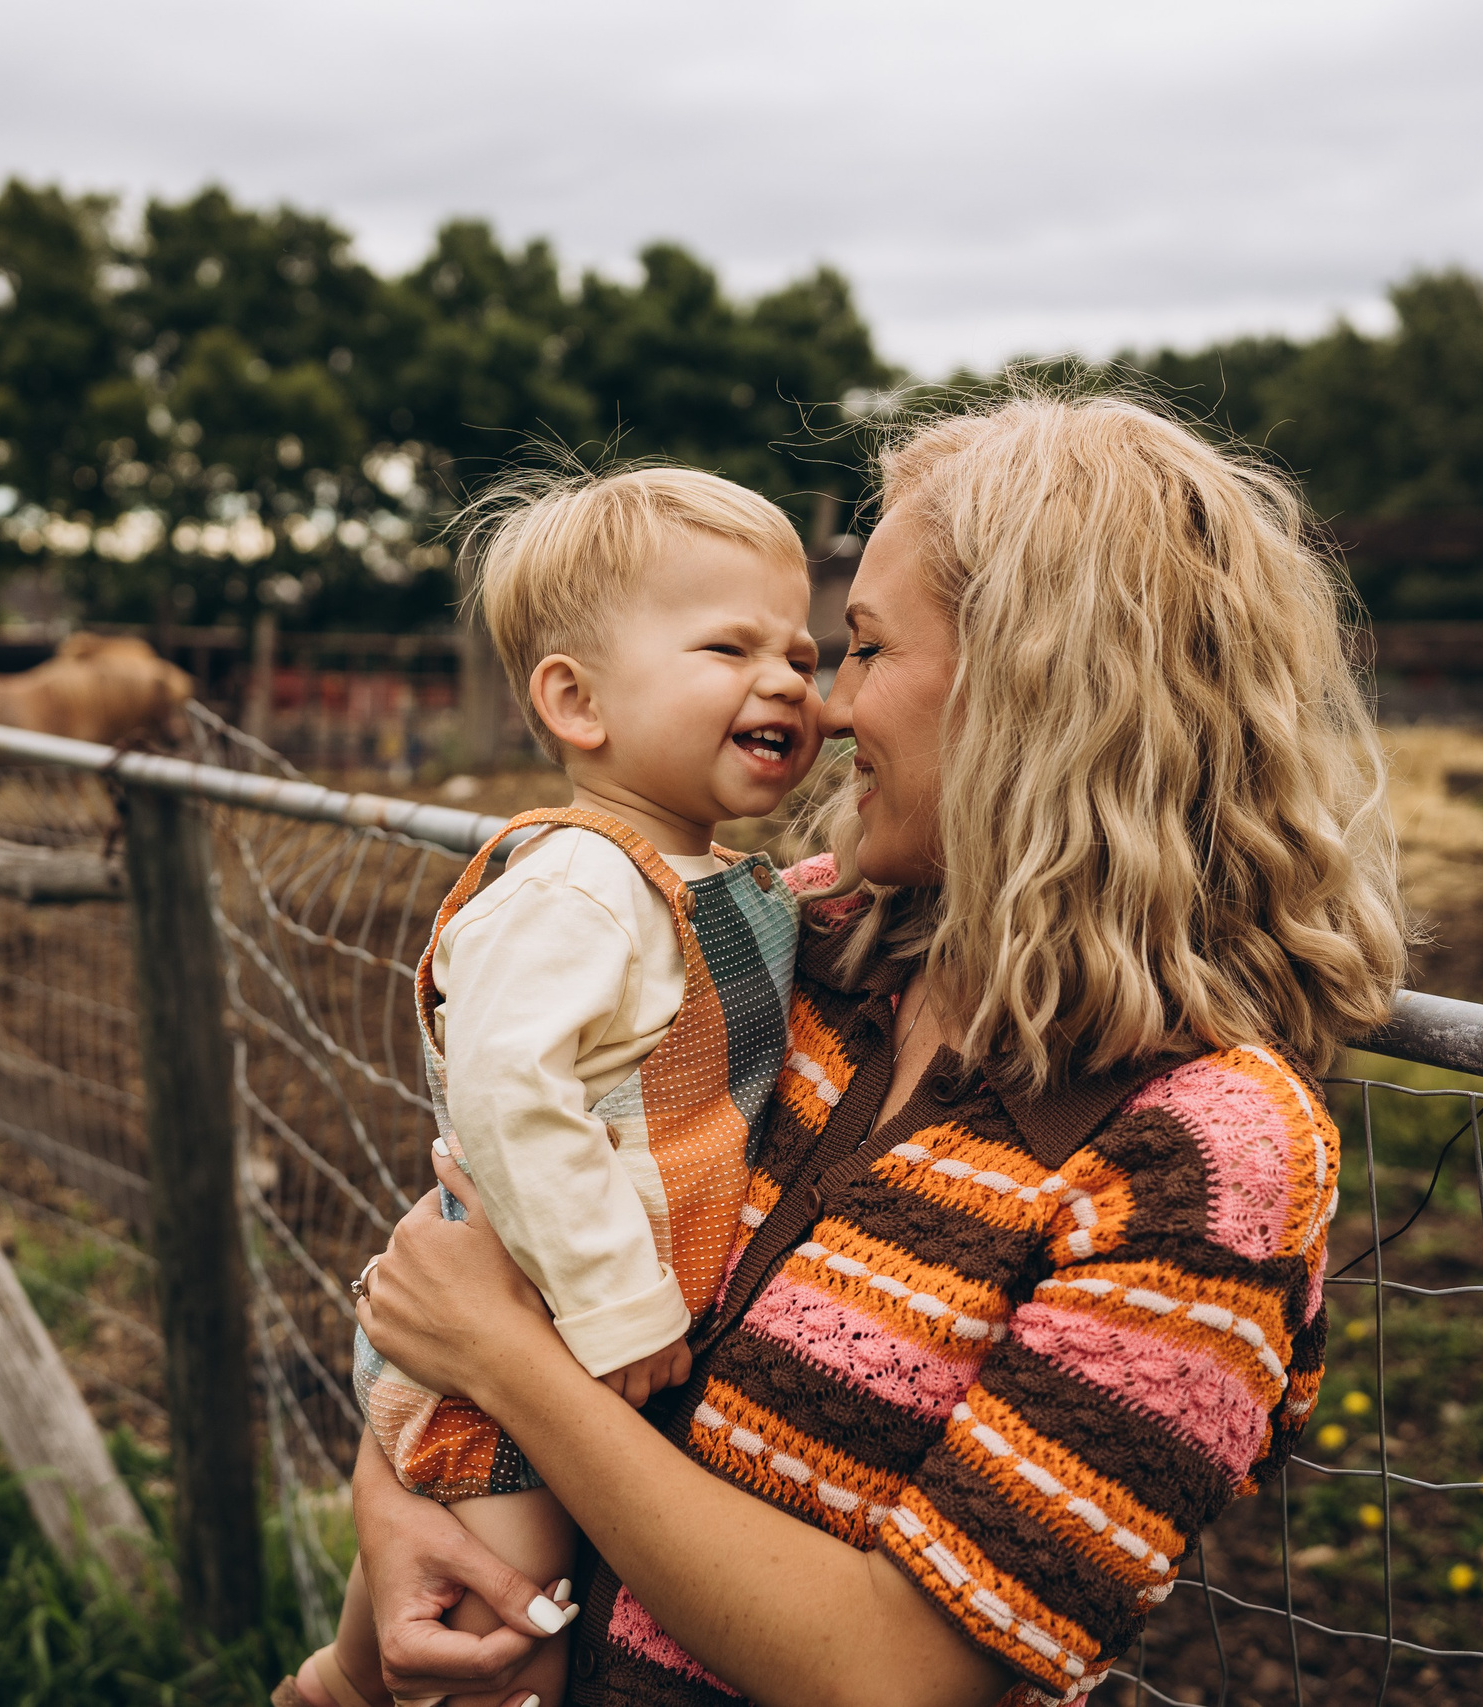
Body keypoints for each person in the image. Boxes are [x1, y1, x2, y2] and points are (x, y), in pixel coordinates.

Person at [348, 393, 1408, 1707]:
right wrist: (398, 1506)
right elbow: (474, 1241)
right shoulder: (799, 941)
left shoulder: (1207, 1155)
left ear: (1038, 687)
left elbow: (897, 1673)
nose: (830, 705)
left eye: (862, 647)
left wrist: (509, 1370)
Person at [285, 467, 826, 1707]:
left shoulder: (694, 875)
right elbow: (507, 1095)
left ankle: (328, 1690)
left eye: (801, 651)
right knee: (504, 1645)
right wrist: (617, 1304)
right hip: (544, 1340)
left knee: (415, 1636)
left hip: (567, 1352)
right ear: (576, 700)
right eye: (728, 645)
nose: (790, 681)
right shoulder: (578, 886)